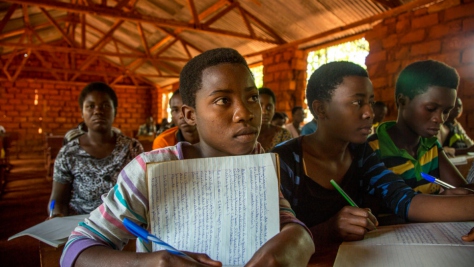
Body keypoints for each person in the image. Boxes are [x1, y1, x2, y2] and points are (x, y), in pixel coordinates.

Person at [61, 48, 315, 267]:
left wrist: (296, 238)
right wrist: (150, 262)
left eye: (252, 98)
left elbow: (288, 224)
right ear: (190, 115)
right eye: (223, 100)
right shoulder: (151, 170)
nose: (245, 113)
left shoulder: (258, 162)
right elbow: (75, 250)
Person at [271, 61, 474, 245]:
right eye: (357, 102)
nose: (369, 112)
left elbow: (405, 200)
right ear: (321, 109)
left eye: (370, 101)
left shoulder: (360, 154)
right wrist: (328, 230)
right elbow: (269, 241)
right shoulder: (284, 161)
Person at [367, 60, 472, 195]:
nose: (440, 119)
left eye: (446, 111)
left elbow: (462, 191)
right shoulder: (373, 150)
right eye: (430, 108)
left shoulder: (431, 147)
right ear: (402, 101)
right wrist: (441, 201)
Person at [48, 82, 143, 216]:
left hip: (124, 225)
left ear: (115, 111)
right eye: (91, 106)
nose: (98, 111)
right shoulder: (68, 153)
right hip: (81, 225)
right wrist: (55, 214)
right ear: (82, 112)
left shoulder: (132, 148)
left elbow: (142, 192)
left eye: (105, 106)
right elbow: (56, 200)